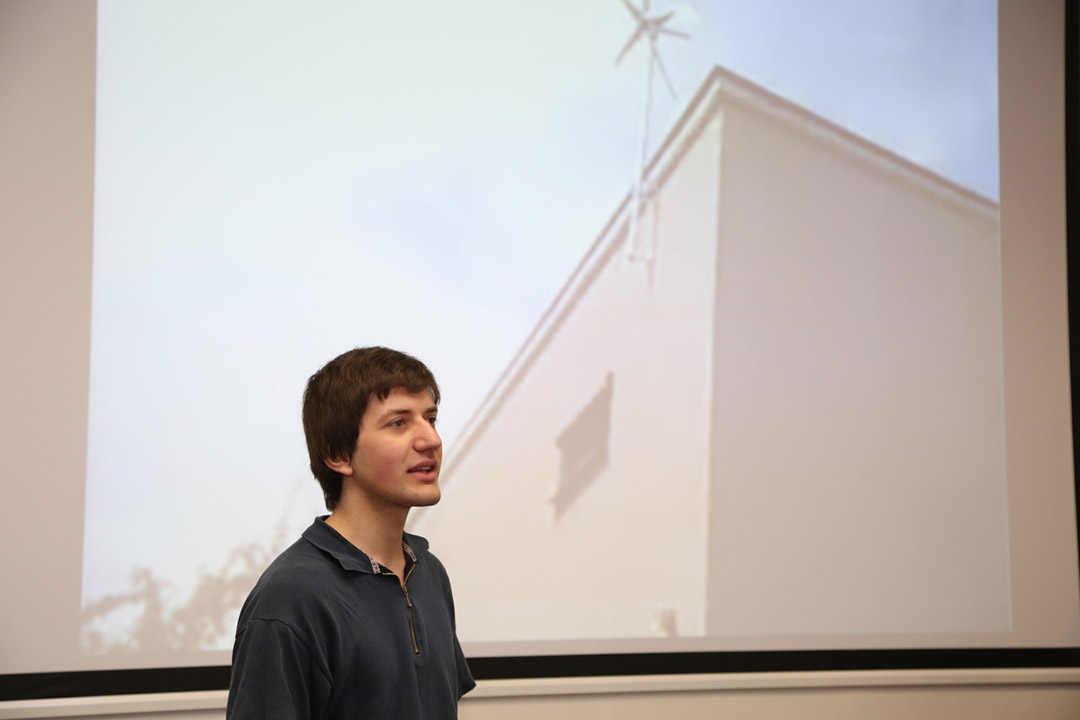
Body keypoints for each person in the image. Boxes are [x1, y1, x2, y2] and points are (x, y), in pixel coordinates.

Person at [227, 346, 475, 720]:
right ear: (339, 455)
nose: (431, 440)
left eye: (431, 419)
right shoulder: (290, 599)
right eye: (399, 423)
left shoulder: (429, 573)